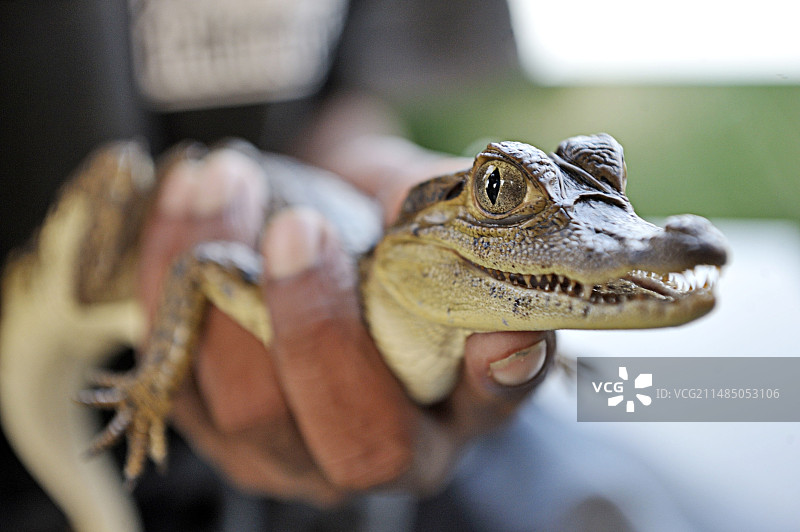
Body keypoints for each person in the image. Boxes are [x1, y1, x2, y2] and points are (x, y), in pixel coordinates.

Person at [1, 1, 693, 530]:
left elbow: (344, 114)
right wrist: (151, 386)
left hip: (364, 433)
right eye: (497, 191)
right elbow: (203, 267)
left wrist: (386, 173)